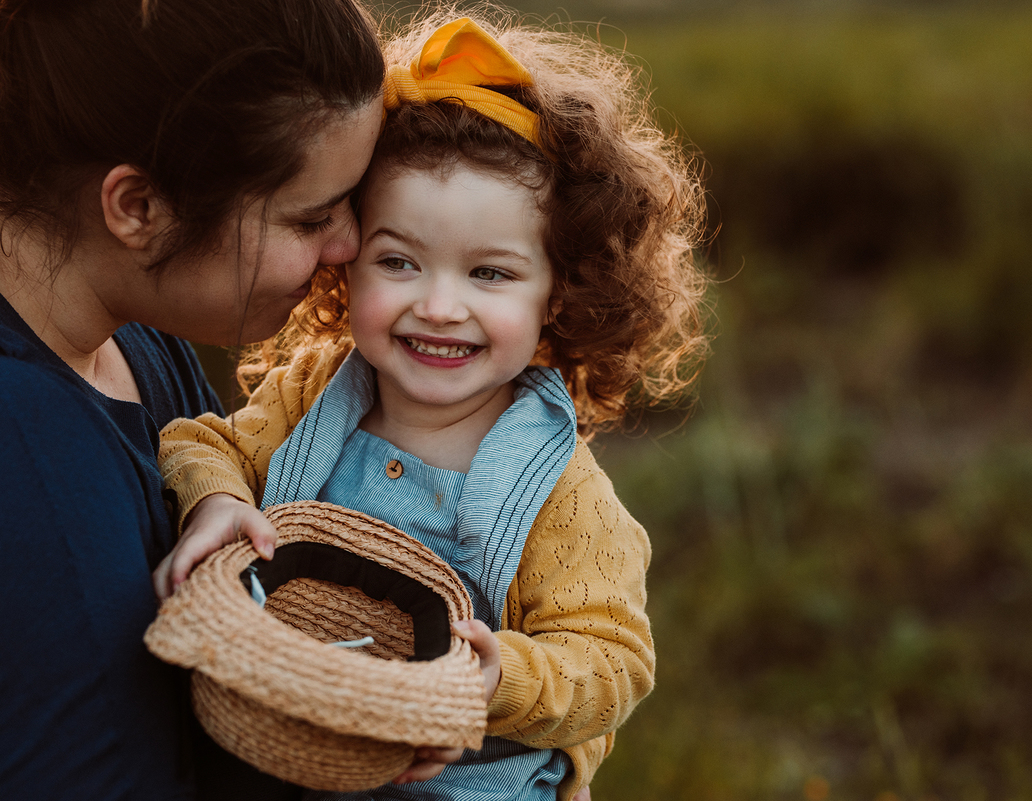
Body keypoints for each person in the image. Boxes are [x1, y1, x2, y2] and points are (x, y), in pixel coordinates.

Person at [154, 10, 710, 801]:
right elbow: (201, 442)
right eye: (400, 261)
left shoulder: (559, 492)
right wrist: (215, 499)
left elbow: (611, 661)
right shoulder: (317, 392)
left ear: (558, 293)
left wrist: (501, 676)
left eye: (490, 274)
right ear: (346, 263)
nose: (440, 306)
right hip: (292, 745)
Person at [0, 0, 385, 799]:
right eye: (311, 217)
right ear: (138, 208)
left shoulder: (138, 342)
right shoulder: (24, 459)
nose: (349, 247)